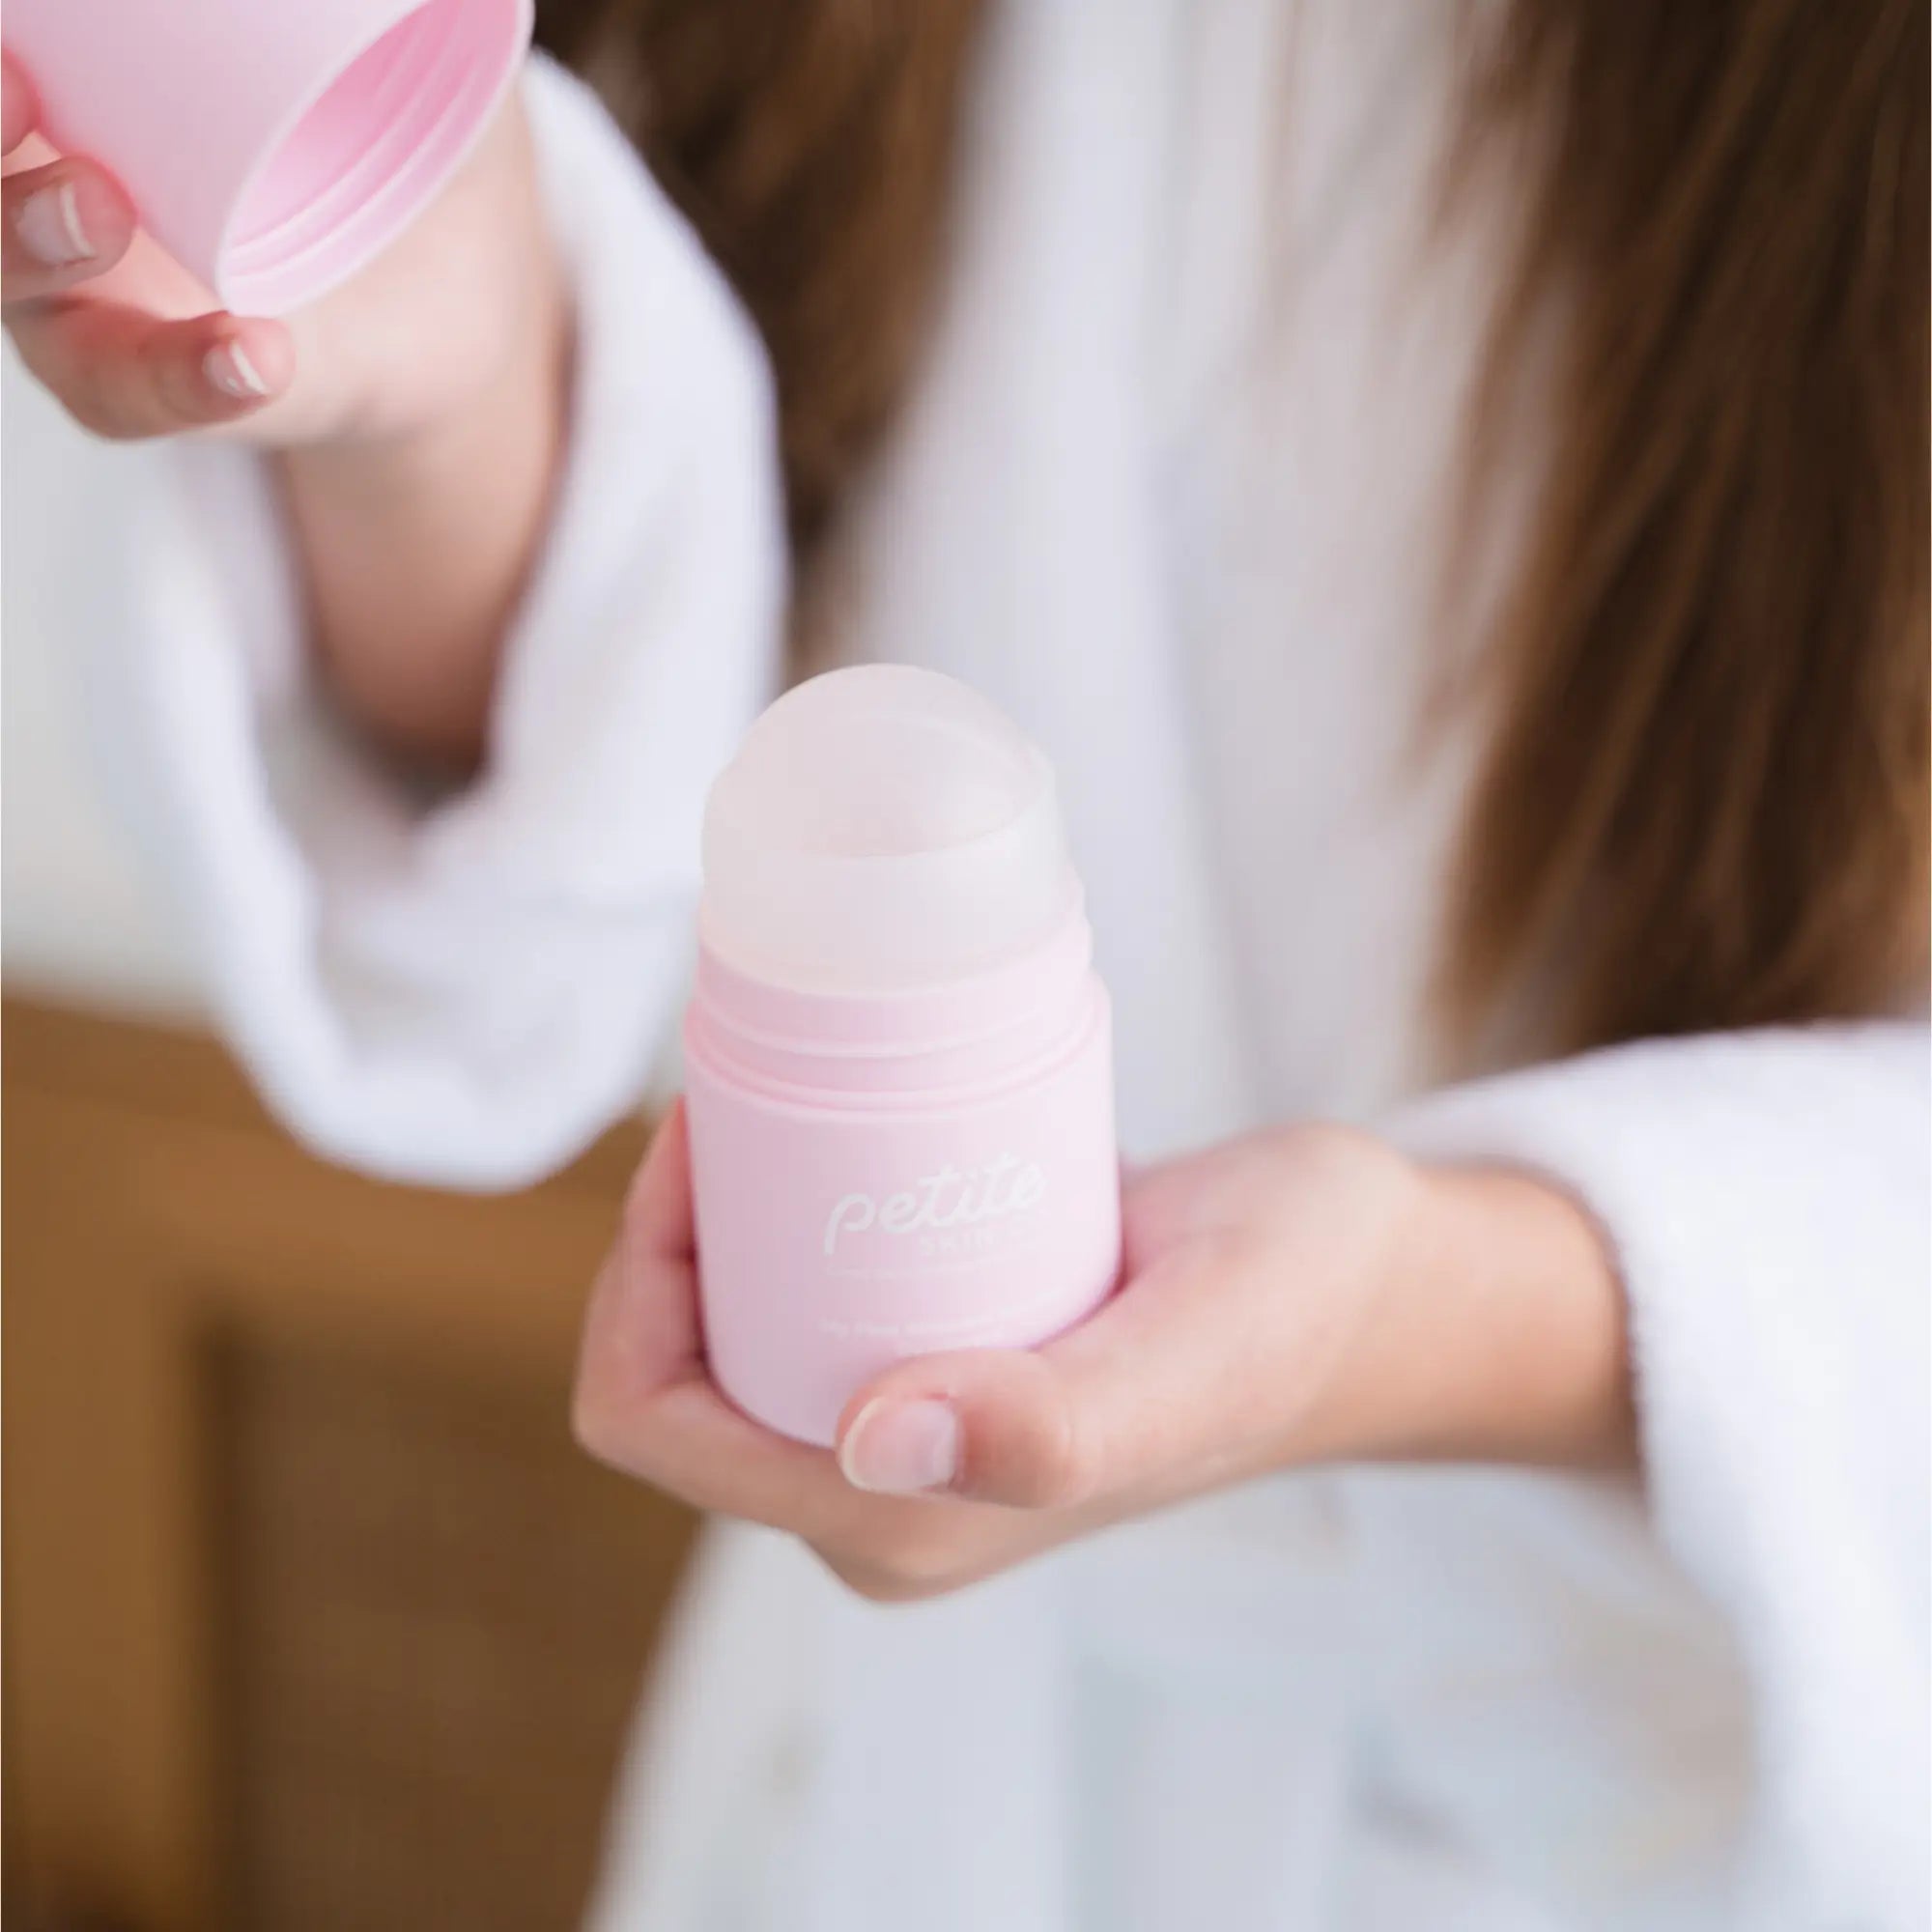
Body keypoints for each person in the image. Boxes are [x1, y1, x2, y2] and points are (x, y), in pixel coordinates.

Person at [4, 3, 1925, 1926]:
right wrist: (452, 388)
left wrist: (1447, 1298)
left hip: (1707, 1780)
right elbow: (581, 860)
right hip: (905, 1795)